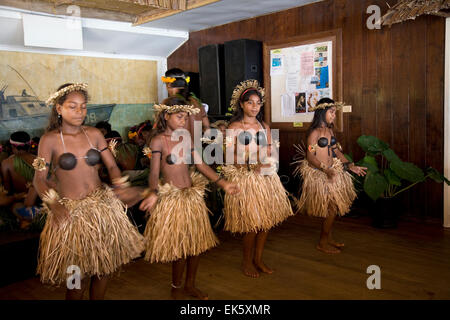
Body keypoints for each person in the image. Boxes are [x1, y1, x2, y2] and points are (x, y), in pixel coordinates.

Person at [33, 83, 144, 300]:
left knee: (103, 269)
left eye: (83, 107)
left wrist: (121, 186)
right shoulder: (49, 140)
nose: (79, 112)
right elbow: (39, 179)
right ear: (58, 108)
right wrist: (54, 205)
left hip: (100, 211)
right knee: (76, 280)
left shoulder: (93, 134)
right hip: (71, 215)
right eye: (72, 106)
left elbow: (112, 166)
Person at [139, 96, 239, 300]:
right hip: (172, 198)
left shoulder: (185, 137)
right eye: (179, 116)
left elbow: (201, 165)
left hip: (191, 196)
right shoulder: (158, 140)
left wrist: (222, 182)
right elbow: (154, 172)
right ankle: (176, 288)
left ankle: (190, 285)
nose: (183, 121)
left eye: (185, 117)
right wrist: (153, 192)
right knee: (180, 247)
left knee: (196, 245)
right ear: (166, 116)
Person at [221, 79, 294, 278]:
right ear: (242, 105)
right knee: (252, 223)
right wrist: (251, 163)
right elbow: (228, 156)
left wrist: (267, 160)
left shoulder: (264, 127)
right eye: (250, 102)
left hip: (265, 179)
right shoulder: (234, 127)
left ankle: (258, 259)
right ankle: (247, 261)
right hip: (246, 178)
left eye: (258, 103)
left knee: (266, 222)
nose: (255, 106)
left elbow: (270, 150)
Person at [294, 98, 366, 254]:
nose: (334, 115)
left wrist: (350, 165)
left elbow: (336, 151)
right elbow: (310, 156)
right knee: (331, 209)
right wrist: (324, 169)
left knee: (332, 209)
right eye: (331, 112)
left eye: (335, 112)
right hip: (320, 173)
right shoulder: (315, 133)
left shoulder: (330, 131)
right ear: (322, 112)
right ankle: (323, 241)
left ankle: (329, 238)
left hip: (332, 171)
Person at [161, 68, 210, 140]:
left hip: (177, 148)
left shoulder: (168, 103)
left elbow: (160, 129)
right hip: (196, 148)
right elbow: (207, 129)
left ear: (168, 84)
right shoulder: (196, 101)